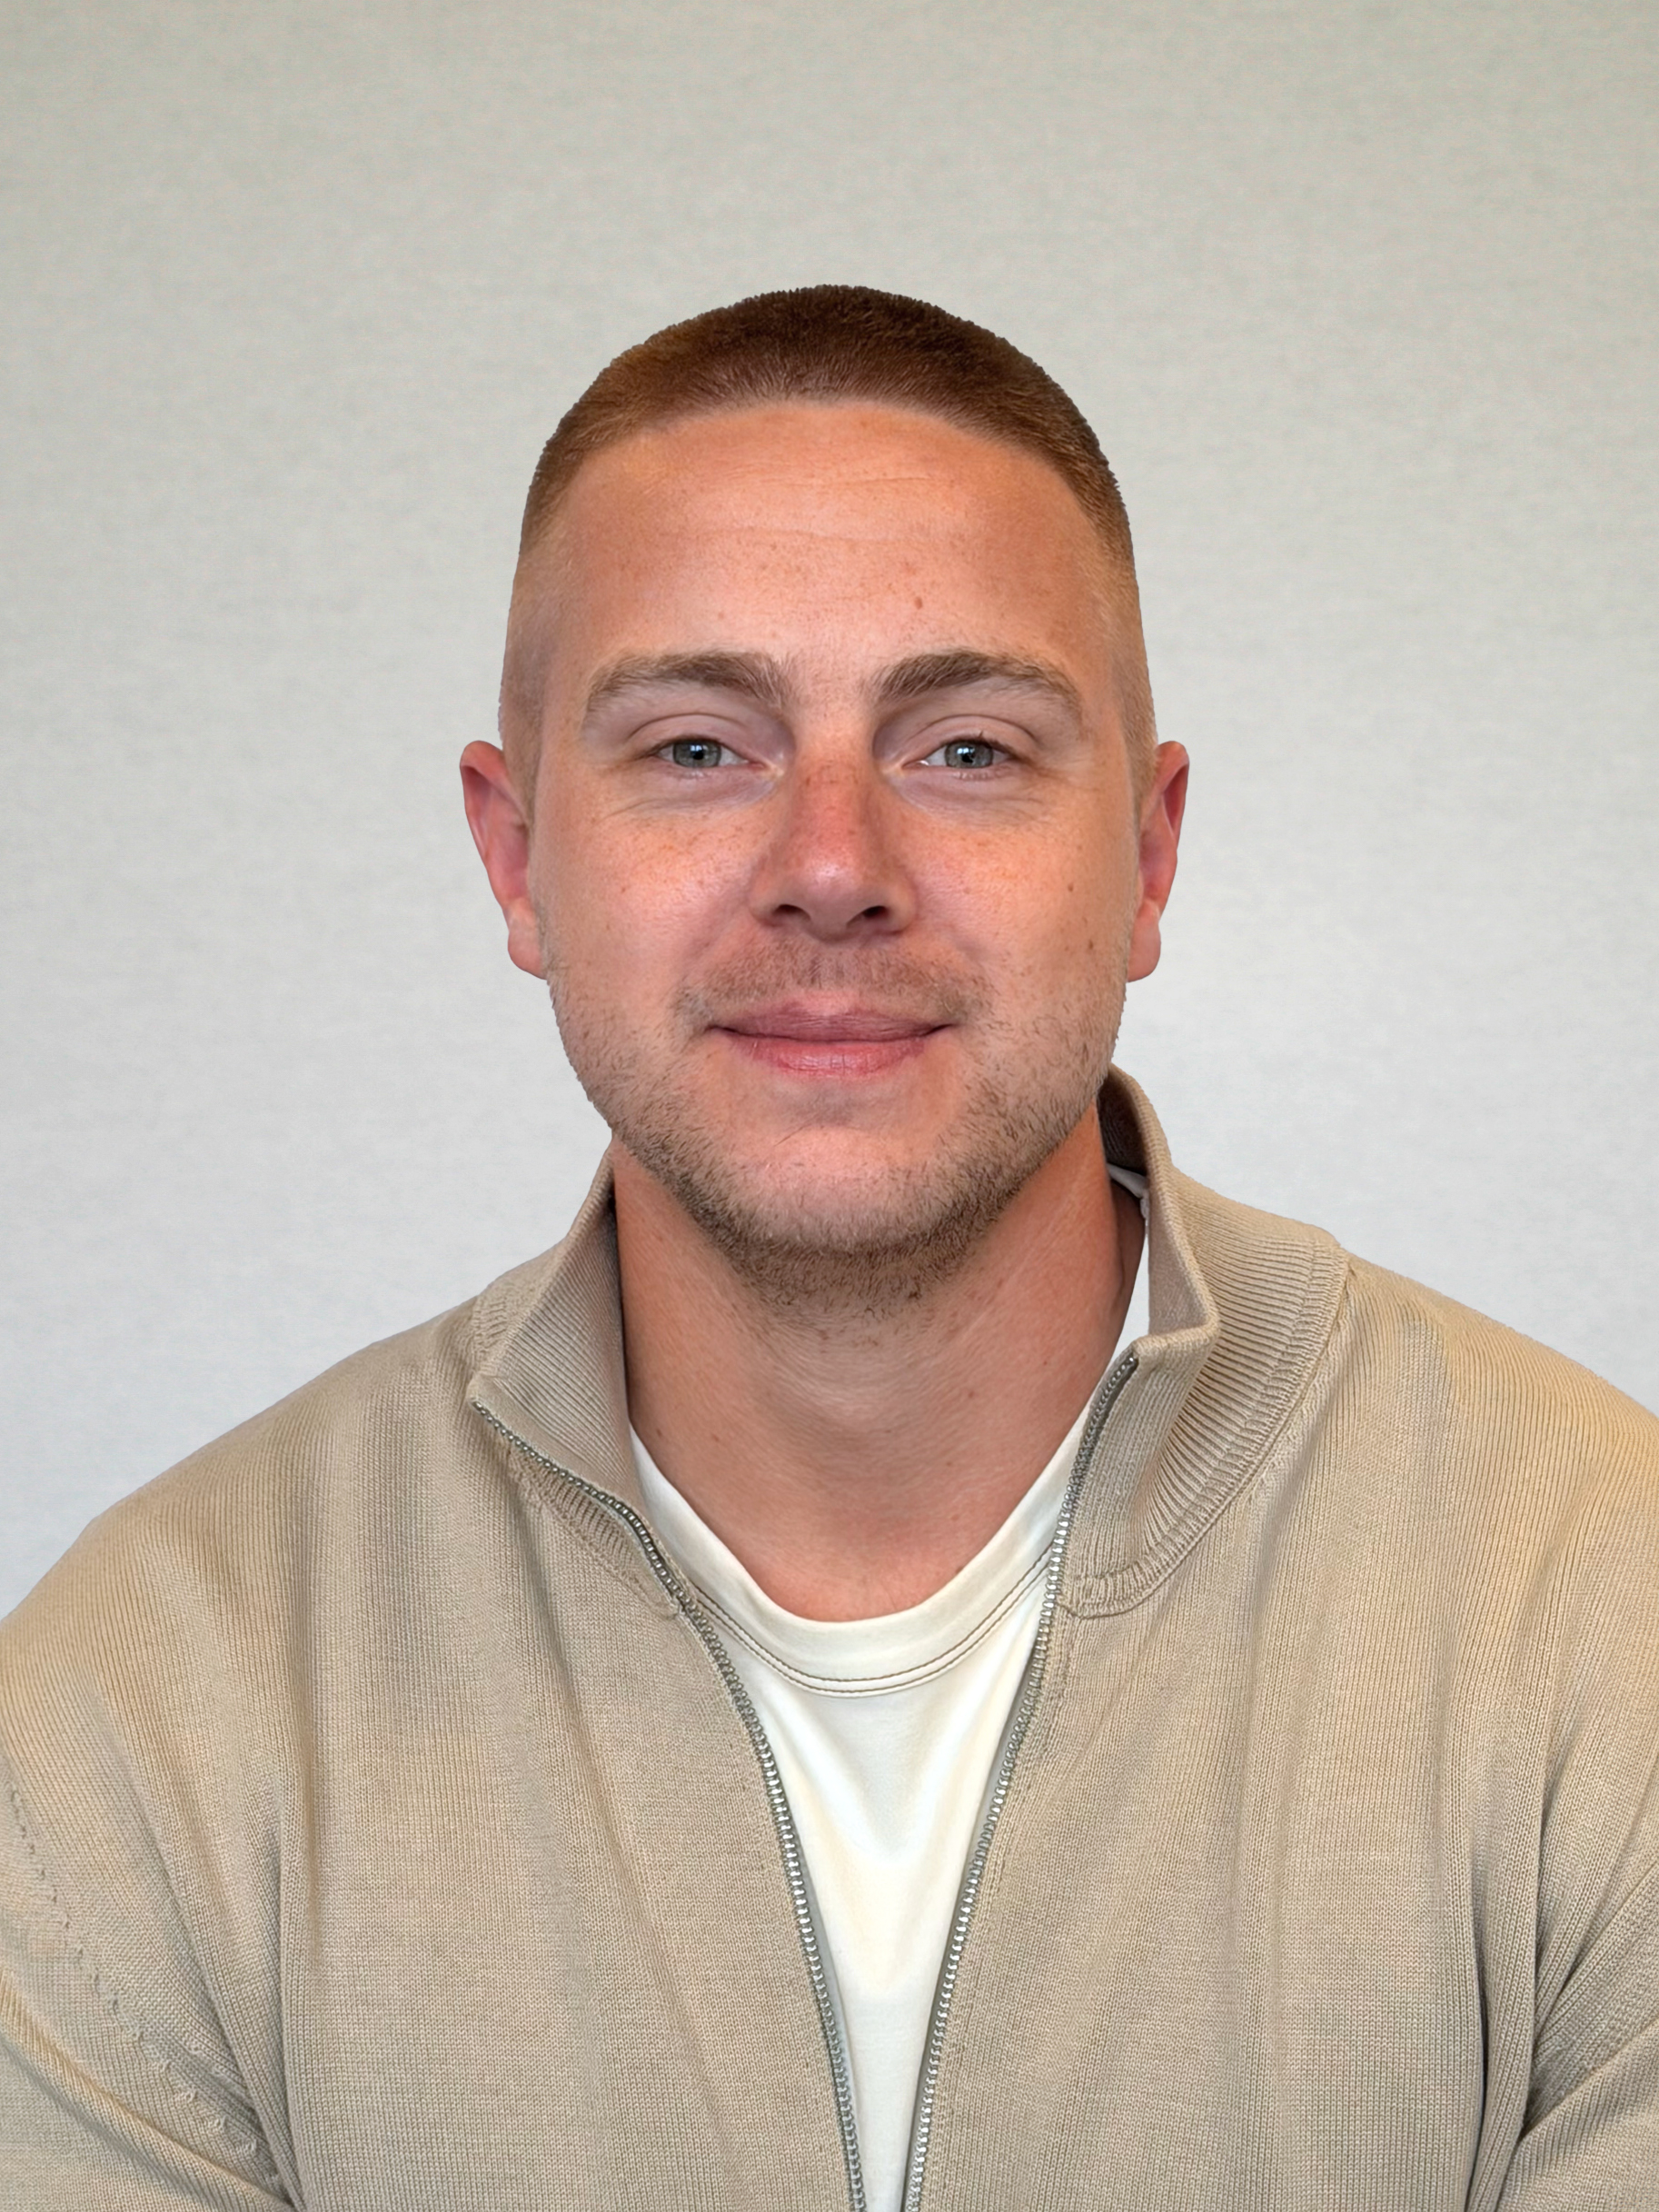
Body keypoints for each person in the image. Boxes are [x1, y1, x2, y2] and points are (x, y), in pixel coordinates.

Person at [2, 285, 1655, 2212]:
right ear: (517, 857)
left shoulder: (1603, 1625)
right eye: (700, 746)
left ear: (1146, 857)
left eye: (965, 747)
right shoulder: (146, 1710)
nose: (831, 865)